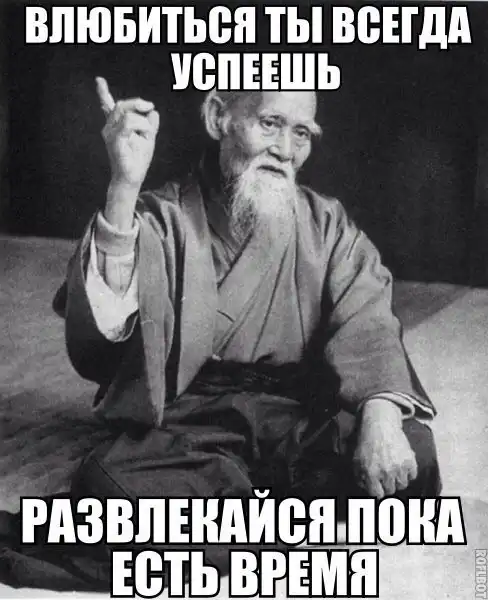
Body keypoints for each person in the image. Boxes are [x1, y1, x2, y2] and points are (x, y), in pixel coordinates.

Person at [0, 80, 441, 592]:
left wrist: (380, 420)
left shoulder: (325, 223)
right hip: (192, 420)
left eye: (301, 133)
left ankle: (231, 522)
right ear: (217, 118)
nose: (286, 150)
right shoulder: (162, 217)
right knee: (112, 490)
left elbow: (368, 319)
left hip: (294, 412)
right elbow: (101, 343)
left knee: (412, 452)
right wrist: (122, 186)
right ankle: (273, 519)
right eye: (270, 124)